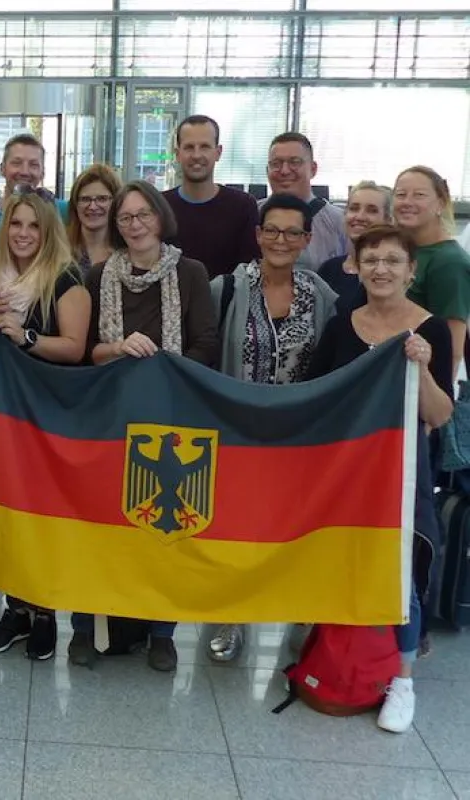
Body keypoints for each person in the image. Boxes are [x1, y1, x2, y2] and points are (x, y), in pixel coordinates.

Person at [306, 223, 454, 734]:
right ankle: (336, 658)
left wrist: (426, 369)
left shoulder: (430, 329)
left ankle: (403, 677)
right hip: (346, 472)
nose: (381, 270)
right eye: (371, 261)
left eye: (392, 261)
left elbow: (439, 415)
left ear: (411, 271)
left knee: (399, 572)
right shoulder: (343, 324)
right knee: (341, 561)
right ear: (356, 268)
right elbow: (315, 395)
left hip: (402, 476)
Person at [77, 180, 219, 672]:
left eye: (143, 215)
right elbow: (87, 352)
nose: (135, 225)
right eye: (125, 218)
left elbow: (206, 344)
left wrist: (160, 369)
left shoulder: (192, 273)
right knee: (100, 527)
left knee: (164, 530)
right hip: (111, 415)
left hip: (171, 419)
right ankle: (85, 628)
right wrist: (119, 349)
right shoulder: (99, 276)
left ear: (160, 218)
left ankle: (162, 632)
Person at [205, 193, 338, 662]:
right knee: (236, 532)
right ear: (258, 235)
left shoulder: (322, 296)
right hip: (237, 435)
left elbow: (335, 361)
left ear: (305, 239)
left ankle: (295, 612)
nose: (281, 240)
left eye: (292, 232)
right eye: (272, 230)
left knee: (293, 531)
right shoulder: (226, 289)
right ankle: (230, 617)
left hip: (297, 438)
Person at [0, 188, 91, 661]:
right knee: (10, 513)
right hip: (7, 418)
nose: (24, 234)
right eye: (17, 225)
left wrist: (25, 337)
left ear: (48, 233)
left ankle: (45, 613)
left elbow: (74, 347)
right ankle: (16, 609)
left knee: (44, 517)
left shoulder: (67, 280)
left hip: (51, 418)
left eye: (34, 226)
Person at [393, 165, 470, 376]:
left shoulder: (449, 262)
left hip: (422, 380)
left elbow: (453, 350)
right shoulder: (399, 249)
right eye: (401, 194)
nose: (407, 202)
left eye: (419, 195)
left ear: (440, 204)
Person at [0, 132, 69, 284]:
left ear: (42, 172)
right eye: (17, 163)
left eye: (33, 164)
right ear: (2, 168)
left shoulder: (64, 213)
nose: (24, 172)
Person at [163, 115, 259, 278]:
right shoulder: (160, 206)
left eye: (205, 146)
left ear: (218, 152)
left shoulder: (243, 206)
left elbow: (249, 271)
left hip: (228, 302)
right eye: (189, 147)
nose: (196, 155)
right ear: (177, 154)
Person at [260, 132, 345, 270]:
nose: (284, 171)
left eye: (294, 162)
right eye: (276, 164)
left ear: (313, 169)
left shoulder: (339, 222)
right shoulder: (251, 214)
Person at [317, 181, 392, 313]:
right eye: (354, 208)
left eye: (372, 210)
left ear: (387, 220)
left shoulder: (394, 272)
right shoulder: (328, 269)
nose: (360, 216)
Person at [65, 164, 121, 271]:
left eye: (102, 199)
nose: (93, 206)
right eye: (85, 199)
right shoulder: (59, 248)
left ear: (116, 202)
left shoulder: (127, 251)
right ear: (75, 204)